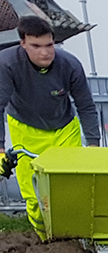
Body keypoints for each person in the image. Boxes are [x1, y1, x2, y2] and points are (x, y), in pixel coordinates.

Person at [0, 14, 100, 235]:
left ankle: (76, 238)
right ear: (23, 43)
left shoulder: (70, 64)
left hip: (64, 127)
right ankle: (45, 241)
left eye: (49, 45)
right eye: (36, 46)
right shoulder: (7, 64)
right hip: (25, 128)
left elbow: (86, 105)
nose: (45, 52)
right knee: (35, 196)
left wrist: (93, 145)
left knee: (71, 189)